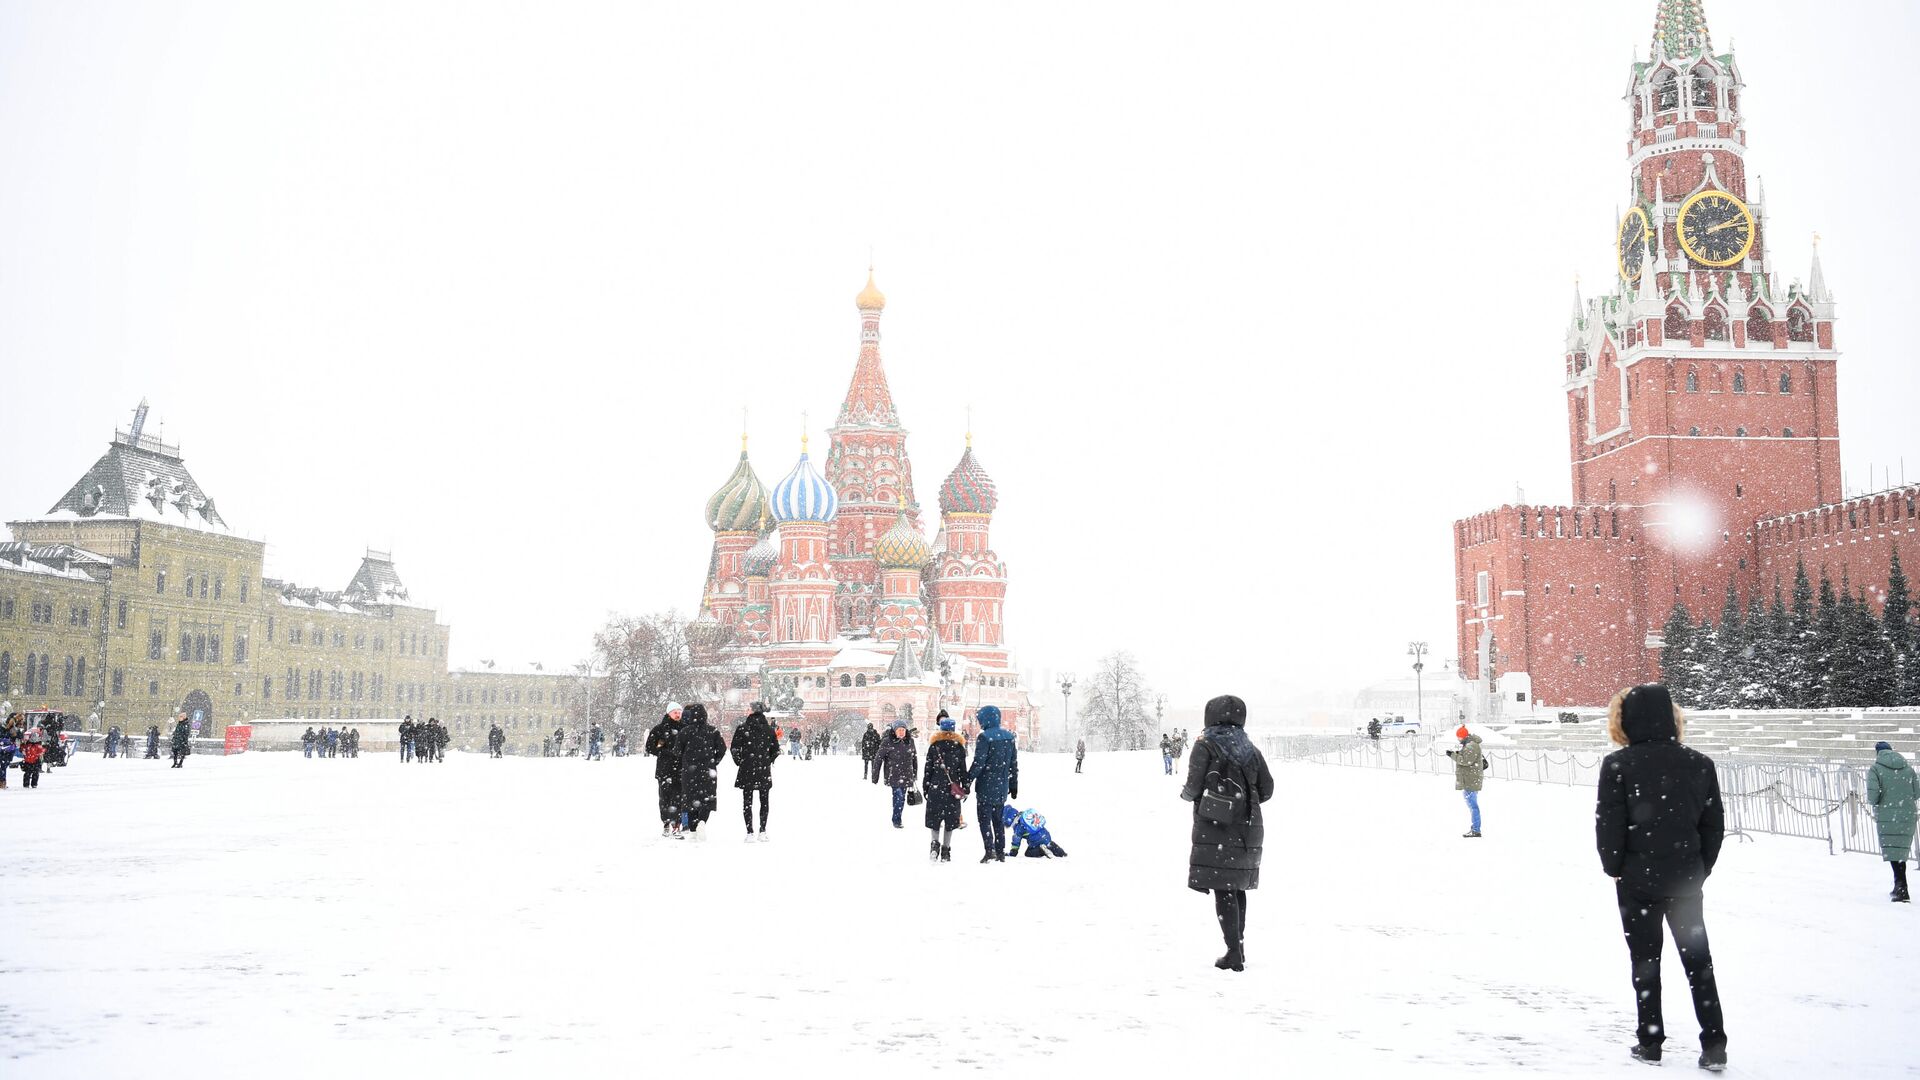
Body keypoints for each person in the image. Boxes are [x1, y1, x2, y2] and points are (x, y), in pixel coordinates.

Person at [1596, 684, 1727, 1071]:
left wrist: (1614, 866)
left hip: (1637, 879)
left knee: (1645, 962)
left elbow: (1609, 825)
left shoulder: (1619, 765)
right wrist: (1699, 869)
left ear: (1626, 720)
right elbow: (1713, 826)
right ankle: (1714, 1043)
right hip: (1685, 879)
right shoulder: (1699, 763)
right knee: (1699, 964)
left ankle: (1650, 1041)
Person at [1179, 694, 1274, 972]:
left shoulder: (1205, 744)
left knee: (1224, 889)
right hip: (1248, 828)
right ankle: (1238, 946)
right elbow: (1267, 789)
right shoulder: (1251, 749)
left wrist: (1190, 797)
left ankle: (1234, 953)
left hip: (1216, 826)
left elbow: (1193, 787)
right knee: (1235, 887)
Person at [1866, 740, 1917, 903]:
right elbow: (1917, 792)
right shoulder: (1908, 769)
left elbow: (1873, 797)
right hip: (1907, 813)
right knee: (1901, 850)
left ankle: (1901, 887)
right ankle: (1900, 885)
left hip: (1887, 814)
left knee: (1893, 850)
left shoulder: (1875, 769)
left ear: (1877, 752)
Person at [967, 705, 1018, 862]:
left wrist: (967, 780)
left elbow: (979, 763)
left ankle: (989, 851)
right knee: (998, 821)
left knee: (984, 820)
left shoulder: (985, 737)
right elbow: (1013, 764)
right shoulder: (1009, 737)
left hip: (985, 787)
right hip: (1001, 788)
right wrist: (1014, 785)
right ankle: (1000, 852)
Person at [731, 702, 780, 841]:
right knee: (764, 801)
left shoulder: (742, 728)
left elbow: (734, 748)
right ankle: (763, 831)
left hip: (747, 768)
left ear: (751, 711)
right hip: (763, 769)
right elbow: (776, 750)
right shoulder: (769, 730)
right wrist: (768, 760)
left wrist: (740, 761)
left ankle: (749, 832)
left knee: (747, 802)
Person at [923, 714, 969, 862]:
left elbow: (928, 769)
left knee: (934, 819)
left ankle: (934, 845)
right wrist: (965, 787)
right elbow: (963, 770)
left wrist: (926, 787)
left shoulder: (934, 746)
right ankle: (946, 850)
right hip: (952, 789)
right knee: (950, 820)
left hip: (935, 787)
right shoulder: (959, 747)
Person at [676, 704, 726, 839]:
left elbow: (677, 751)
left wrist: (685, 761)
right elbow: (722, 748)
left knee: (691, 800)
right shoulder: (713, 731)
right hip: (708, 771)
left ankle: (692, 831)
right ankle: (702, 821)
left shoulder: (685, 732)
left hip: (689, 772)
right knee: (706, 799)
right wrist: (714, 760)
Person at [645, 704, 686, 836]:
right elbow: (650, 747)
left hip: (680, 769)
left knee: (678, 798)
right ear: (669, 713)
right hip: (665, 769)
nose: (678, 714)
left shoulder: (684, 728)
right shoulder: (659, 729)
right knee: (665, 798)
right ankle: (666, 823)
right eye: (675, 712)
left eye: (679, 711)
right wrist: (664, 752)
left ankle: (676, 824)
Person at [874, 720, 918, 829]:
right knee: (898, 796)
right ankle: (897, 820)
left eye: (903, 730)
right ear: (894, 731)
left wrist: (915, 774)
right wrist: (875, 776)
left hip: (907, 774)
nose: (902, 732)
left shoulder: (910, 741)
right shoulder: (887, 742)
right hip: (893, 774)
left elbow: (914, 758)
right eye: (899, 730)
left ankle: (897, 816)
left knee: (901, 798)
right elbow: (878, 759)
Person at [1446, 725, 1487, 838]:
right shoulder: (1470, 745)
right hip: (1470, 779)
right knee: (1472, 805)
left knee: (1473, 806)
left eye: (1459, 737)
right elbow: (1467, 758)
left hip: (1471, 780)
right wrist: (1458, 753)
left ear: (1463, 736)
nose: (1458, 739)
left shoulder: (1471, 746)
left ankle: (1476, 830)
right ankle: (1475, 828)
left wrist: (1453, 755)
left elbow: (1465, 761)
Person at [1003, 805, 1068, 858]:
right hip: (1045, 835)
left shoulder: (1018, 827)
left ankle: (1041, 850)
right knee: (1048, 843)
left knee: (1028, 853)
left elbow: (1016, 842)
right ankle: (1062, 854)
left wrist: (1013, 852)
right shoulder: (1025, 816)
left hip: (1035, 842)